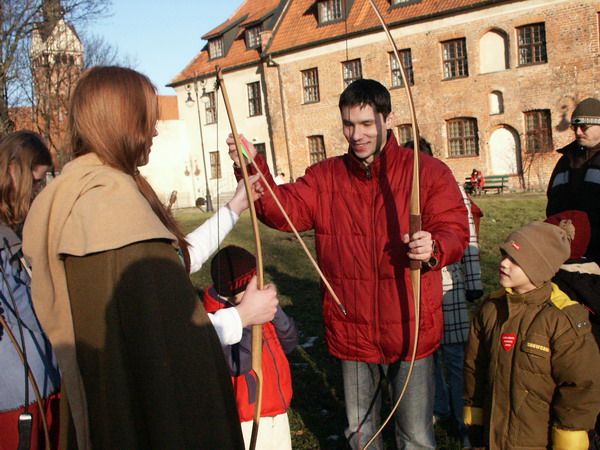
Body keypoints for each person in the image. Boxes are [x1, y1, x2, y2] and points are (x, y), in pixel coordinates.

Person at [22, 66, 279, 449]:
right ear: (124, 122)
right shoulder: (110, 208)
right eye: (147, 120)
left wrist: (235, 206)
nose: (155, 131)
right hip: (141, 419)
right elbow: (171, 345)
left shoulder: (89, 193)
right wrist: (242, 316)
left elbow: (173, 263)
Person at [228, 79, 469, 449]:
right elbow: (284, 211)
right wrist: (252, 165)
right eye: (348, 124)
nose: (356, 135)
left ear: (387, 119)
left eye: (366, 124)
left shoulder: (427, 171)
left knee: (416, 437)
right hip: (351, 330)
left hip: (409, 326)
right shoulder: (326, 177)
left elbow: (455, 227)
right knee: (361, 436)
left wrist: (434, 246)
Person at [464, 220, 600, 449]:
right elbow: (474, 368)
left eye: (515, 260)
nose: (503, 264)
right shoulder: (490, 309)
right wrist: (476, 424)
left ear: (539, 267)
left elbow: (581, 388)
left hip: (538, 439)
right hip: (493, 436)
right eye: (503, 255)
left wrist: (568, 440)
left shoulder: (562, 320)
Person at [407, 138, 483, 448]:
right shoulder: (402, 196)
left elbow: (469, 239)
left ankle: (463, 420)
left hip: (448, 287)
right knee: (426, 355)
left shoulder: (451, 190)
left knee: (454, 357)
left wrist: (474, 282)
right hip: (415, 290)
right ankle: (438, 407)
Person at [204, 245, 298, 449]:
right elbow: (238, 364)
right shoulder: (217, 321)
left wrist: (276, 312)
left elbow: (290, 343)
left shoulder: (262, 305)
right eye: (249, 286)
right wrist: (248, 318)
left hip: (278, 407)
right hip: (248, 418)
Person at [0, 130, 60, 449]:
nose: (39, 190)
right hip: (15, 401)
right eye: (36, 181)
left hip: (45, 386)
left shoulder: (20, 227)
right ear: (13, 172)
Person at [547, 97, 600, 263]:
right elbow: (553, 202)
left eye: (584, 127)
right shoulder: (566, 160)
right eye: (574, 127)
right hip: (566, 251)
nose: (578, 132)